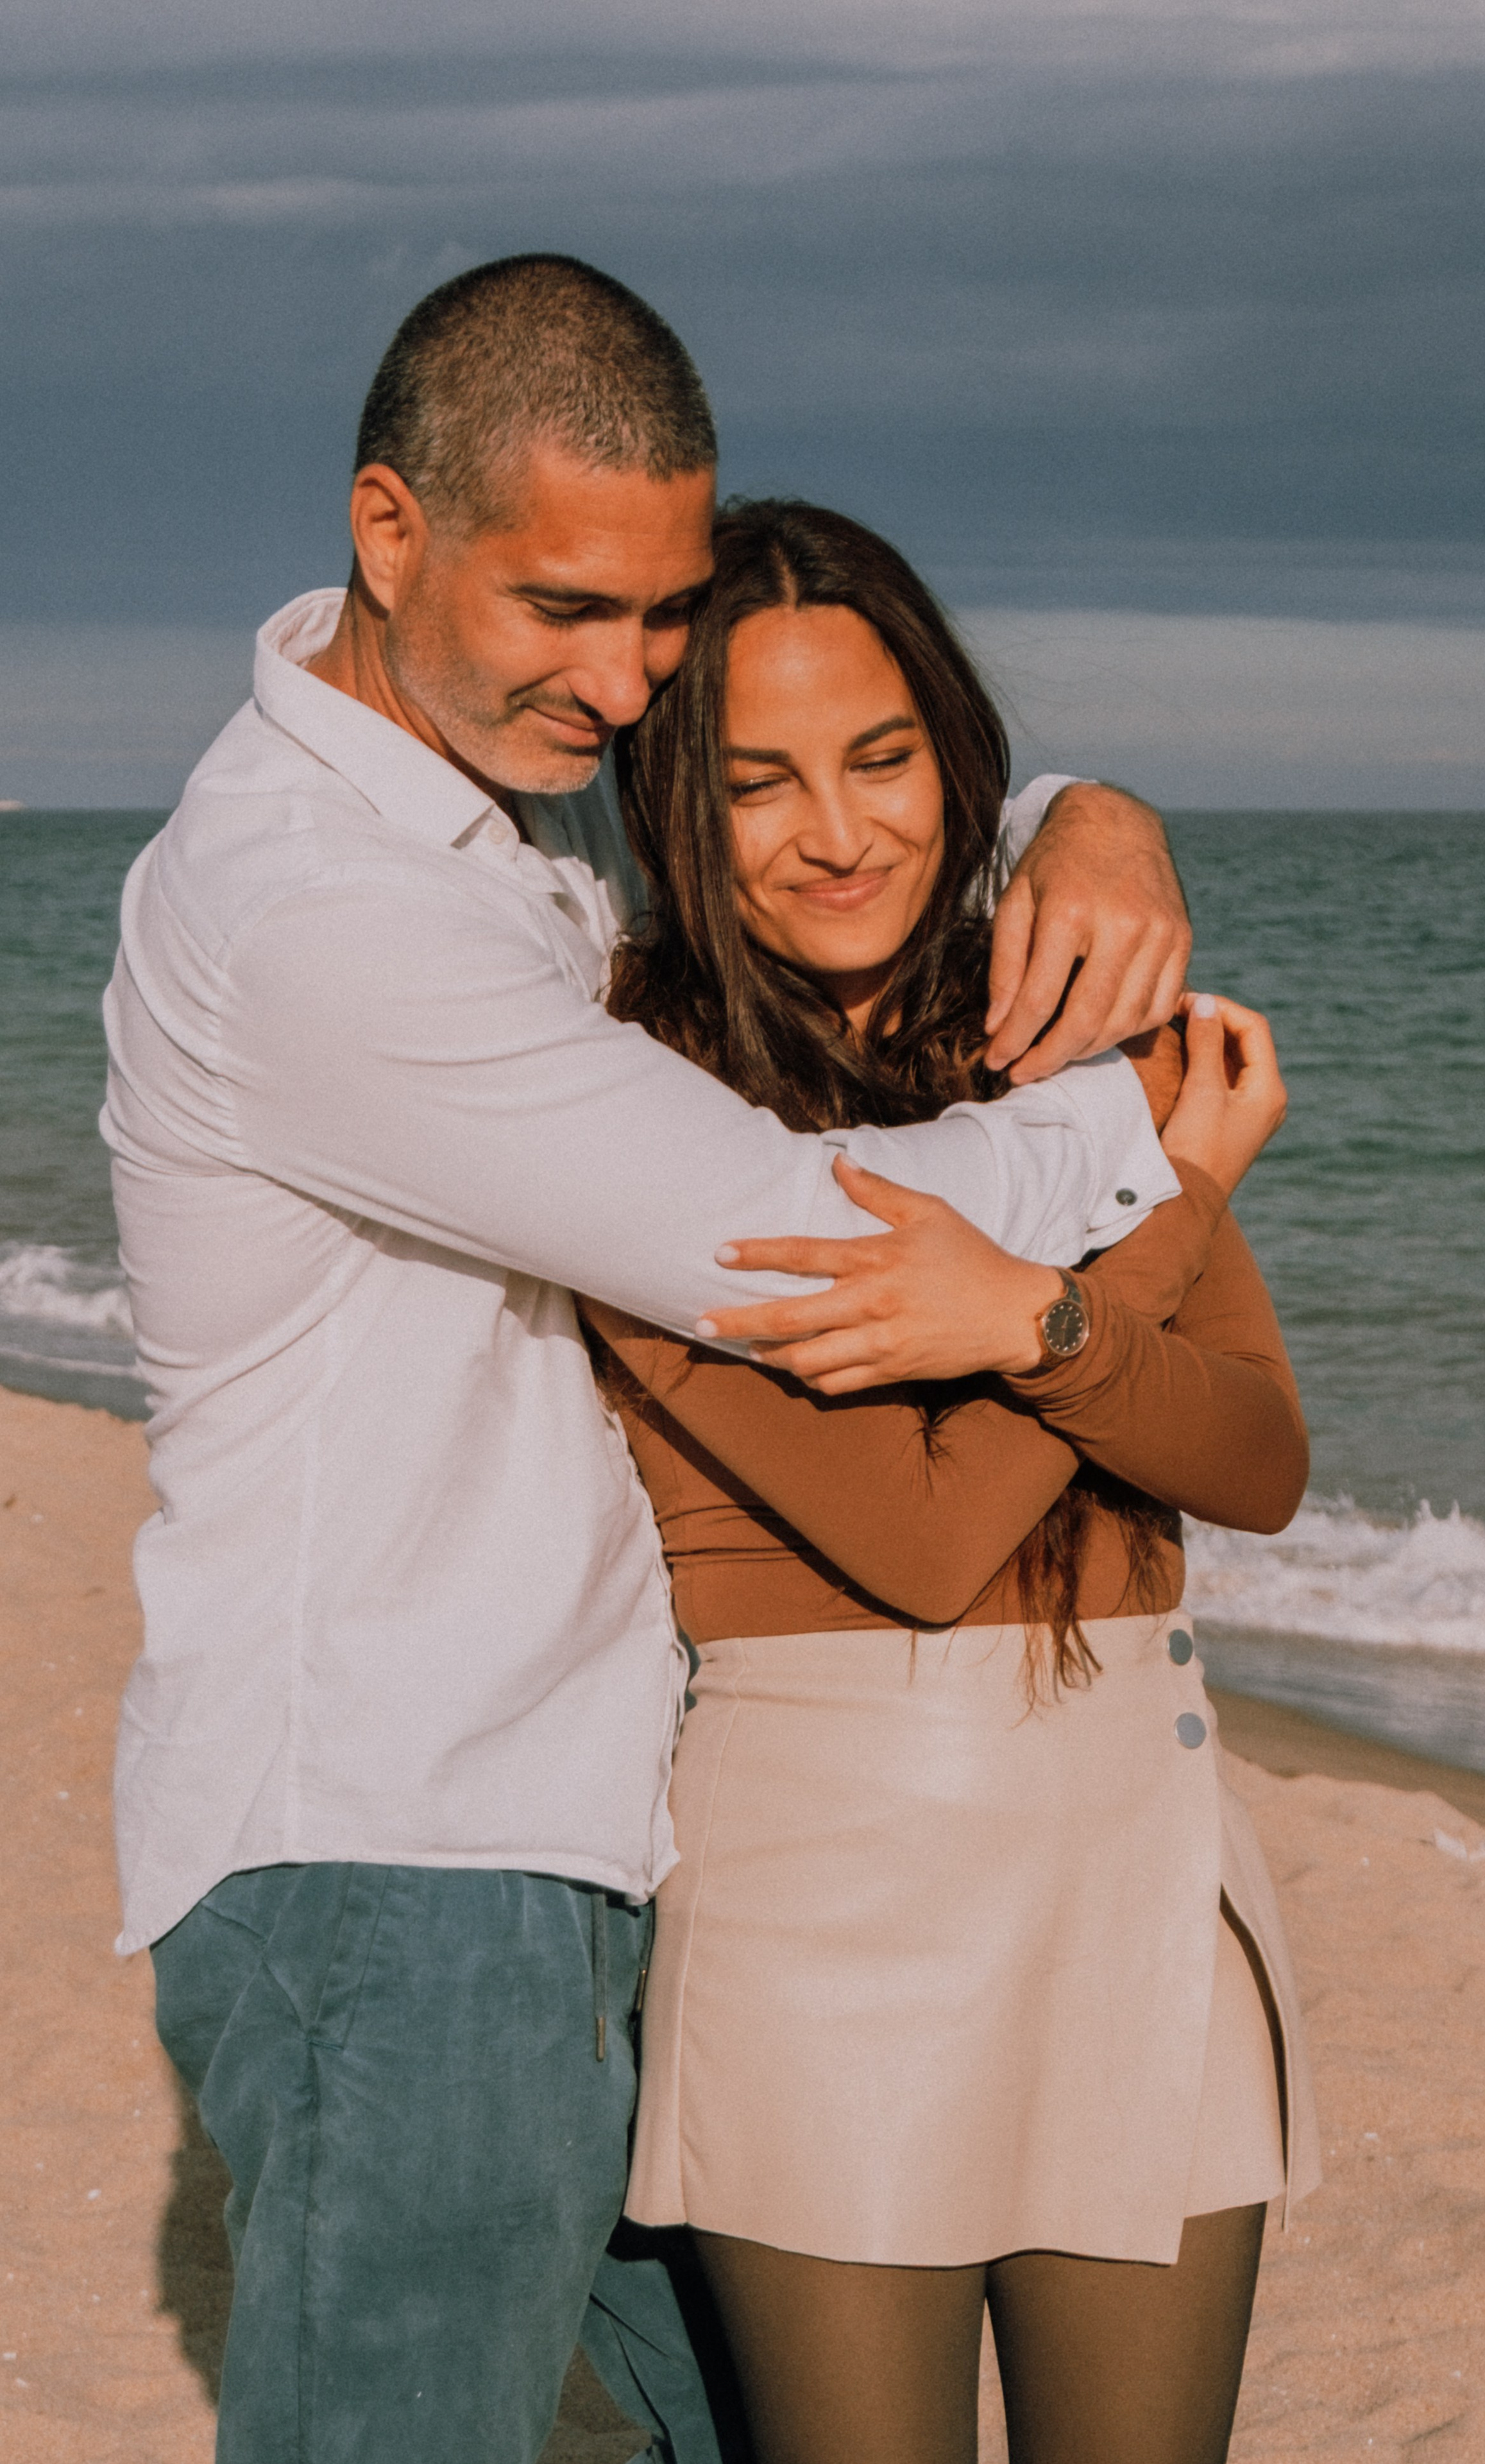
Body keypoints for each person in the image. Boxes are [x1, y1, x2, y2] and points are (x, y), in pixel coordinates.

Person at [103, 255, 1194, 2464]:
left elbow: (824, 823)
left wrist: (1084, 809)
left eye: (656, 611)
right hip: (391, 1856)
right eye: (564, 610)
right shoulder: (318, 903)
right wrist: (1151, 1117)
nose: (624, 682)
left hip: (580, 1840)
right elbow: (782, 1243)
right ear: (388, 531)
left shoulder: (497, 799)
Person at [576, 499, 1322, 2464]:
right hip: (828, 1905)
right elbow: (919, 1541)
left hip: (1140, 1872)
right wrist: (1160, 1205)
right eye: (760, 782)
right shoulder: (626, 1112)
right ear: (677, 808)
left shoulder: (1061, 1042)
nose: (841, 830)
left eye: (884, 759)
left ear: (958, 762)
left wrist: (1045, 1317)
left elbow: (1257, 1461)